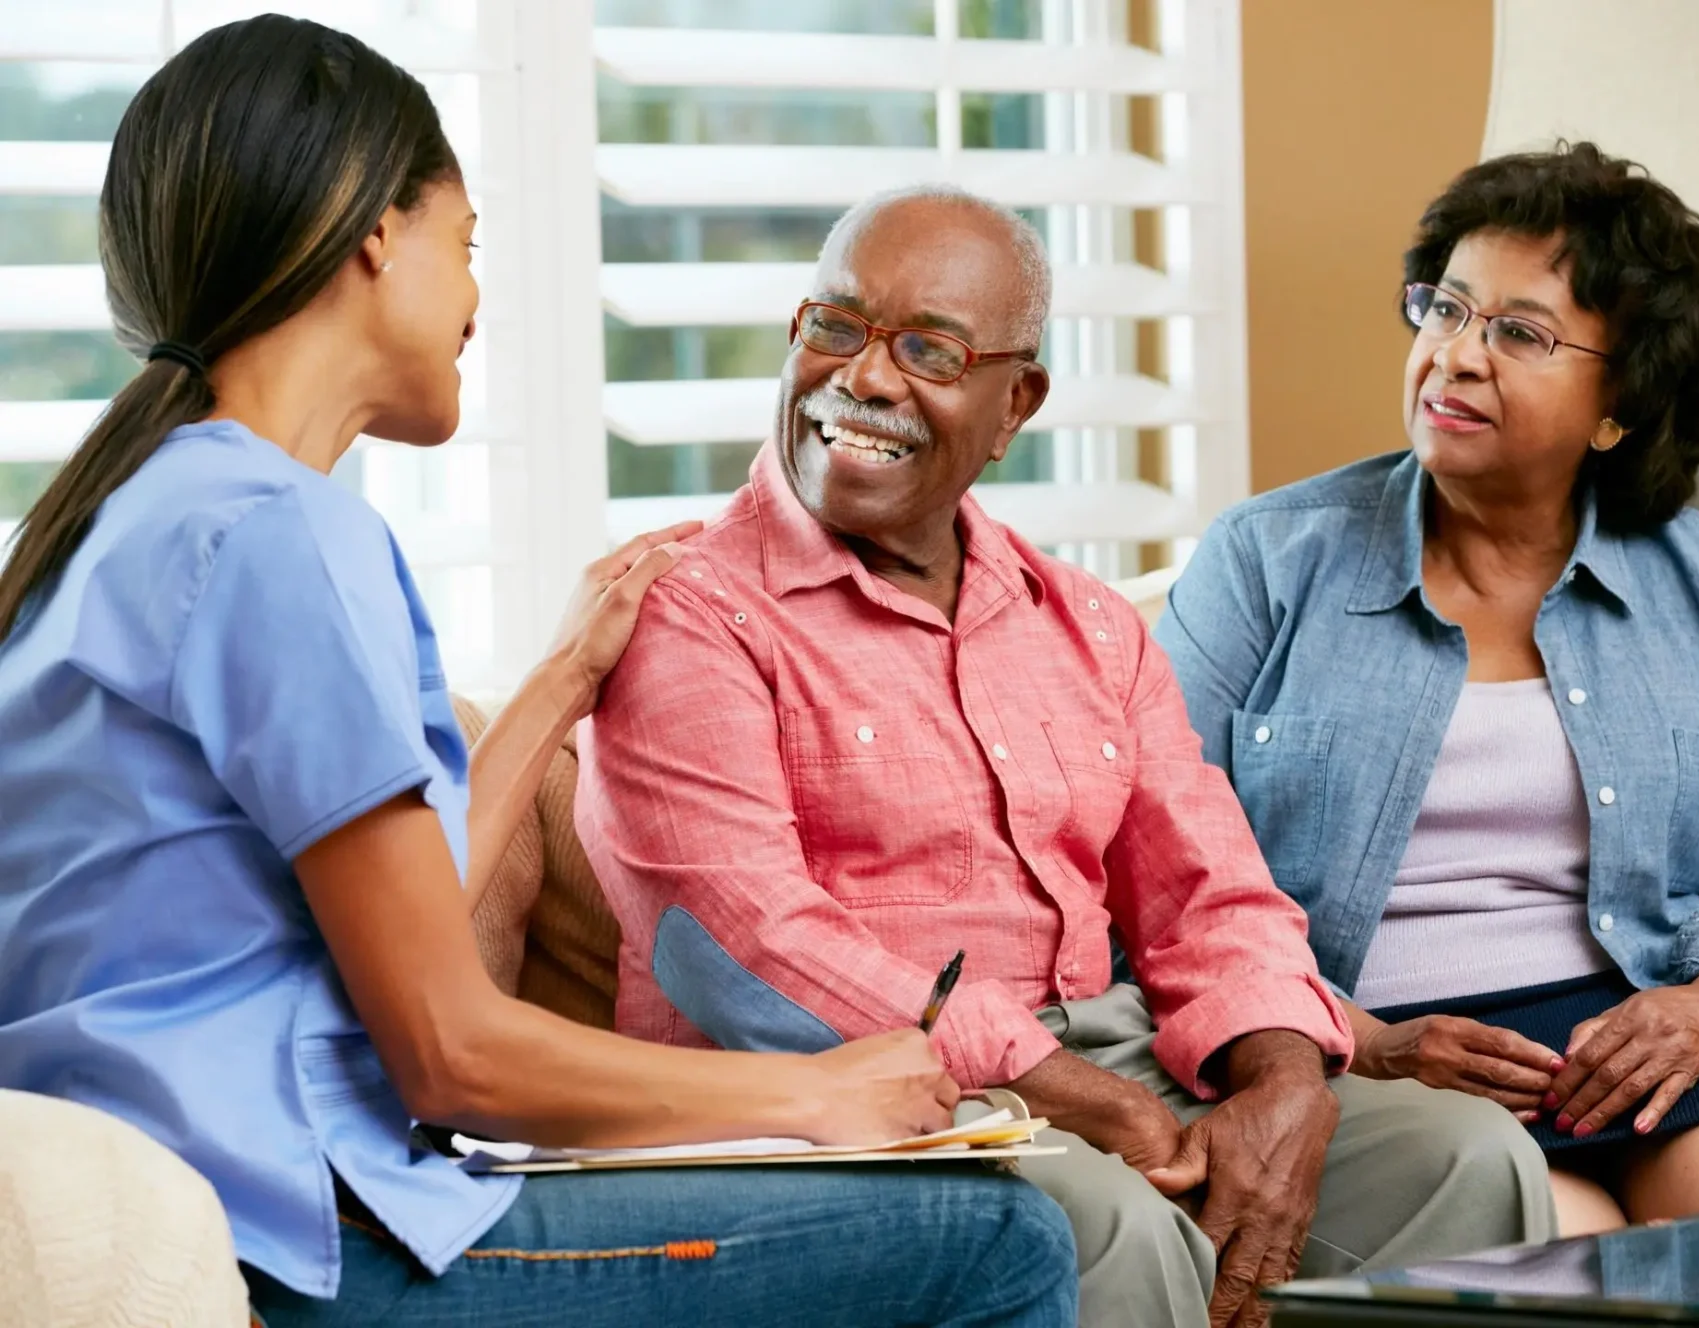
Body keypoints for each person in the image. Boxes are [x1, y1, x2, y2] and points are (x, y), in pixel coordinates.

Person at [0, 19, 1078, 1326]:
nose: (475, 297)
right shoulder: (281, 532)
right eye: (468, 246)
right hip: (312, 1251)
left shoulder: (129, 520)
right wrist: (812, 1091)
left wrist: (567, 675)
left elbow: (392, 943)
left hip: (199, 1209)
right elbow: (450, 1052)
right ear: (375, 237)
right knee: (998, 1241)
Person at [576, 182, 1554, 1328]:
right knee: (1108, 1216)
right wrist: (1087, 1100)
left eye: (929, 350)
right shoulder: (691, 611)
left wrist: (1284, 1079)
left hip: (1109, 1060)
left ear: (1014, 401)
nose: (866, 377)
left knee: (1464, 1159)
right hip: (856, 1104)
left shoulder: (1085, 621)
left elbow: (1212, 894)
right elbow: (743, 951)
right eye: (835, 327)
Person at [1155, 142, 1699, 1237]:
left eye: (1520, 332)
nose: (1455, 356)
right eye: (1446, 309)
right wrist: (1355, 1037)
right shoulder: (1267, 562)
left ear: (1621, 406)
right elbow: (1151, 888)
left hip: (1644, 1048)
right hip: (1382, 1059)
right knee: (1566, 1254)